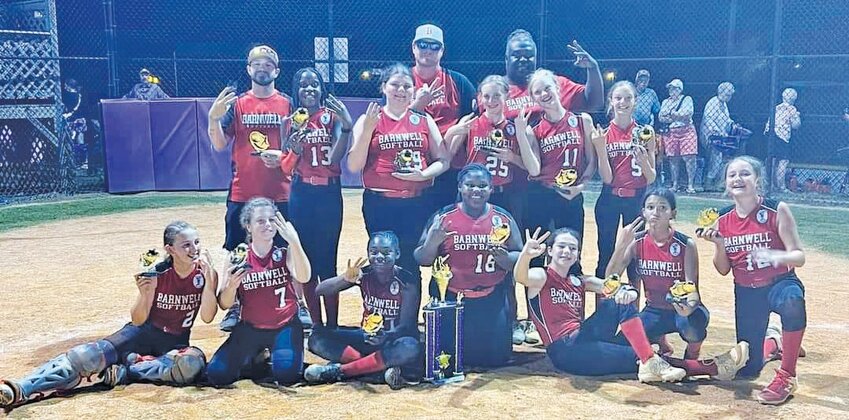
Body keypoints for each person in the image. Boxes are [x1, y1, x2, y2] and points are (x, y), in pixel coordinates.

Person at [0, 221, 217, 408]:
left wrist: (209, 283)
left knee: (192, 365)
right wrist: (146, 293)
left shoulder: (204, 272)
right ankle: (22, 387)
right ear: (170, 250)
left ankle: (129, 371)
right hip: (140, 334)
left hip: (174, 342)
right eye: (186, 245)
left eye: (197, 242)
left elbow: (208, 317)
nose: (194, 249)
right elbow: (138, 320)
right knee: (85, 357)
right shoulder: (157, 273)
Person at [515, 227, 748, 381]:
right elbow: (521, 277)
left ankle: (650, 360)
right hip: (566, 351)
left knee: (619, 297)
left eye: (572, 248)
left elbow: (610, 284)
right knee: (636, 356)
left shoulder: (580, 281)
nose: (567, 251)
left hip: (586, 339)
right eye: (561, 246)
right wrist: (526, 254)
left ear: (577, 254)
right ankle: (711, 367)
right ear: (551, 251)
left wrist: (626, 291)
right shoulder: (542, 276)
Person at [696, 156, 807, 405]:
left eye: (745, 173)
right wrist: (719, 244)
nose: (738, 179)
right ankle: (774, 344)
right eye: (732, 175)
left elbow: (798, 256)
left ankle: (787, 375)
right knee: (749, 367)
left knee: (793, 302)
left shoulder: (775, 209)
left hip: (780, 282)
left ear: (758, 180)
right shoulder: (722, 219)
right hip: (747, 291)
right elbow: (723, 269)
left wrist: (775, 254)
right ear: (726, 183)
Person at [208, 45, 295, 331]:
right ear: (248, 69)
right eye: (257, 63)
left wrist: (283, 157)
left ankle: (295, 303)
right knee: (237, 249)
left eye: (268, 64)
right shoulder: (238, 104)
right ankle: (234, 306)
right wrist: (212, 118)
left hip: (279, 191)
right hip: (243, 191)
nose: (263, 68)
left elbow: (297, 146)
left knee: (285, 248)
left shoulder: (287, 104)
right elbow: (220, 143)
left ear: (276, 71)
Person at [347, 63, 448, 286]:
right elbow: (354, 165)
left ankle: (408, 320)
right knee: (382, 262)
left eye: (407, 86)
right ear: (384, 87)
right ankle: (382, 315)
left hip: (416, 202)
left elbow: (443, 160)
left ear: (413, 90)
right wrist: (367, 130)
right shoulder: (369, 119)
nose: (401, 90)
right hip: (380, 203)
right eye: (395, 85)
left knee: (411, 261)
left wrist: (423, 174)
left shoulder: (422, 119)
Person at [414, 164, 522, 368]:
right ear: (460, 187)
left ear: (491, 188)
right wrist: (432, 242)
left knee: (495, 360)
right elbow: (422, 259)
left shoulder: (502, 218)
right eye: (470, 185)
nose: (476, 190)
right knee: (447, 359)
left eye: (482, 186)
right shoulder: (443, 218)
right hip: (452, 297)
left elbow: (519, 253)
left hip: (490, 297)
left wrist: (505, 259)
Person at [205, 198, 311, 386]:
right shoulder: (237, 257)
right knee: (217, 374)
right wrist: (231, 286)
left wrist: (295, 242)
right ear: (248, 225)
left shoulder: (284, 251)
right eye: (260, 221)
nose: (268, 225)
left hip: (285, 325)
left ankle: (270, 354)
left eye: (271, 220)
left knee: (286, 375)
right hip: (251, 327)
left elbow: (304, 277)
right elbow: (224, 304)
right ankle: (258, 355)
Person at [304, 231, 421, 389]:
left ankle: (340, 371)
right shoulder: (364, 273)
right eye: (373, 252)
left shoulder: (407, 281)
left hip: (393, 340)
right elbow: (320, 290)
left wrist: (386, 336)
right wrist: (345, 278)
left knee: (410, 347)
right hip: (366, 337)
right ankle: (375, 370)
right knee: (316, 339)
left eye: (386, 252)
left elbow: (406, 326)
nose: (379, 256)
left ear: (397, 253)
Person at [284, 67, 353, 328]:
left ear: (322, 89)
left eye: (315, 84)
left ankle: (332, 325)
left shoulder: (332, 117)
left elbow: (335, 158)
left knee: (327, 260)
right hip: (301, 193)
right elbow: (285, 167)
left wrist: (346, 127)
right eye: (304, 85)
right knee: (306, 260)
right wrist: (295, 150)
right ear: (297, 90)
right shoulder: (290, 120)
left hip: (328, 193)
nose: (309, 89)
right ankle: (316, 325)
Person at [607, 188, 708, 359]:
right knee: (624, 347)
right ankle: (660, 340)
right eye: (651, 207)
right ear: (643, 212)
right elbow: (611, 278)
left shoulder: (685, 244)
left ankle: (693, 352)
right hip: (654, 310)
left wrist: (688, 308)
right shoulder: (637, 241)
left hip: (681, 309)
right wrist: (621, 245)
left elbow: (693, 290)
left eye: (663, 208)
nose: (656, 212)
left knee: (693, 327)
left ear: (672, 213)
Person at [520, 68, 596, 267]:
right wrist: (522, 134)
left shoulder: (582, 120)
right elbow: (535, 170)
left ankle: (569, 297)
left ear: (557, 87)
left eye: (547, 88)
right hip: (542, 196)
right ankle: (535, 299)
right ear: (533, 98)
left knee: (571, 256)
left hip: (571, 196)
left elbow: (591, 161)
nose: (544, 94)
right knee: (536, 257)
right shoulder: (534, 130)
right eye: (538, 92)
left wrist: (581, 186)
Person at [591, 81, 656, 297]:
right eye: (618, 98)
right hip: (610, 197)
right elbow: (607, 178)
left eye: (628, 98)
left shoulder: (645, 132)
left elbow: (651, 175)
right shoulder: (604, 134)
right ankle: (604, 306)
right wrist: (600, 149)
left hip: (636, 200)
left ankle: (633, 308)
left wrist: (643, 160)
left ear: (635, 101)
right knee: (606, 251)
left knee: (635, 254)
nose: (623, 102)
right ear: (611, 101)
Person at [443, 75, 537, 211]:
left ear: (507, 96)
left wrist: (512, 157)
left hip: (503, 194)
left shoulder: (516, 127)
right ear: (480, 97)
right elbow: (447, 156)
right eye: (486, 96)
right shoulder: (470, 123)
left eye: (497, 96)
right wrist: (452, 132)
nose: (491, 101)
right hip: (472, 194)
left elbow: (529, 167)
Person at [408, 24, 476, 211]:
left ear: (442, 51)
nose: (428, 51)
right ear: (414, 47)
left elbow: (471, 121)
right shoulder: (402, 81)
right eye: (422, 45)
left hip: (450, 169)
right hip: (412, 165)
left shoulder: (458, 82)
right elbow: (389, 123)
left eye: (434, 46)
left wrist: (447, 153)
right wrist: (417, 106)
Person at [658, 79, 698, 193]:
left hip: (686, 130)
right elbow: (661, 117)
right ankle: (674, 184)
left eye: (674, 88)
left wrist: (672, 115)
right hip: (671, 131)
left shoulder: (687, 99)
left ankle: (690, 185)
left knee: (689, 157)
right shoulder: (665, 101)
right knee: (673, 159)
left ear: (680, 89)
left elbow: (687, 114)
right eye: (670, 88)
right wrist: (676, 115)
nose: (671, 90)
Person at [701, 82, 736, 190]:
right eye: (727, 94)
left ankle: (715, 181)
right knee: (715, 157)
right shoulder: (713, 102)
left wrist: (732, 123)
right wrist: (716, 130)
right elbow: (708, 118)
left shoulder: (724, 104)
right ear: (721, 92)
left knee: (719, 158)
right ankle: (708, 182)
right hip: (710, 135)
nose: (729, 97)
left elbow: (726, 118)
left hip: (721, 135)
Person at [765, 88, 801, 192]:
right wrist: (797, 116)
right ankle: (781, 186)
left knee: (772, 159)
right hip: (782, 136)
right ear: (794, 99)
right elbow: (795, 125)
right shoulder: (792, 109)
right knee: (783, 161)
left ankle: (770, 185)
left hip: (770, 133)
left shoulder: (776, 107)